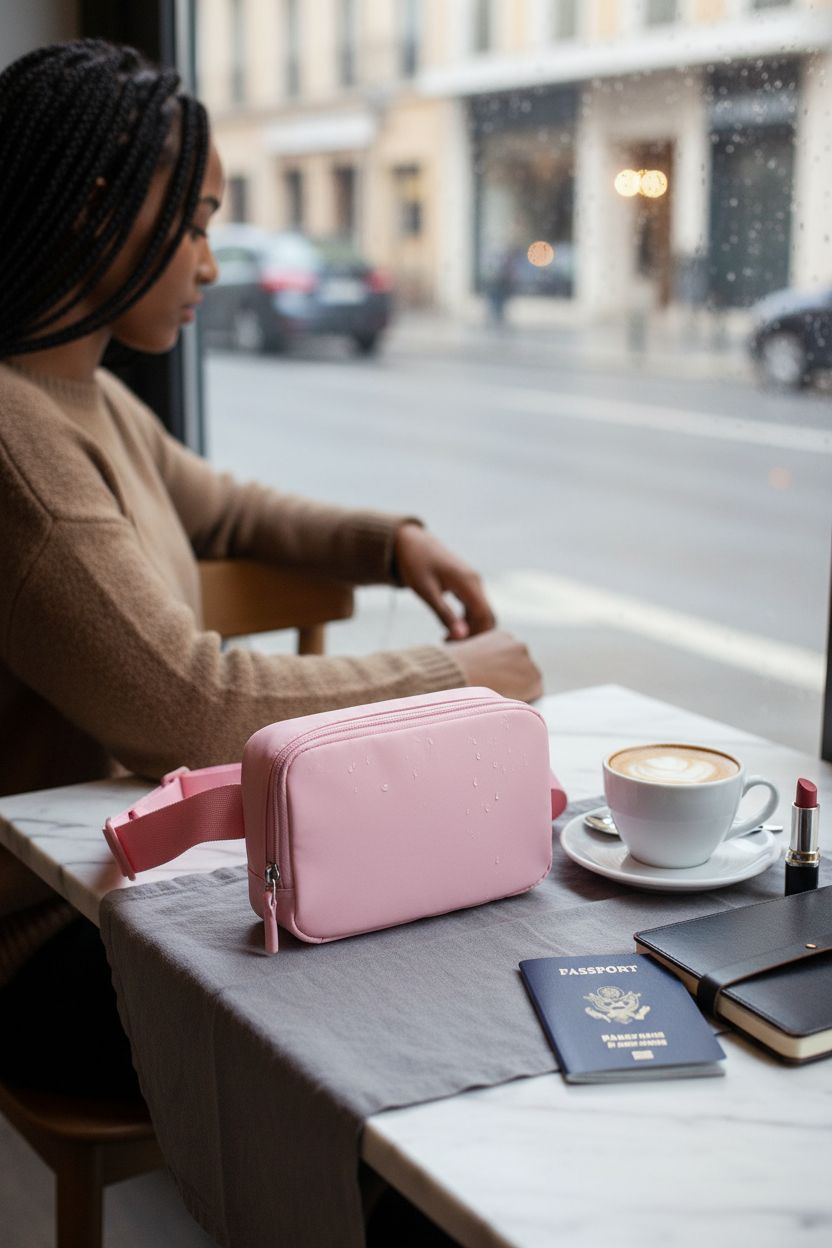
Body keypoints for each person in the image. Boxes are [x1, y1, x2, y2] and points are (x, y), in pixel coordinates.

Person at [0, 40, 541, 1099]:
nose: (209, 264)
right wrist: (455, 682)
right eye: (196, 224)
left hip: (127, 884)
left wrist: (388, 541)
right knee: (443, 980)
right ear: (96, 210)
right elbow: (192, 706)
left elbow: (231, 508)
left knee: (465, 930)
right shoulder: (19, 442)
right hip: (45, 941)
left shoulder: (90, 399)